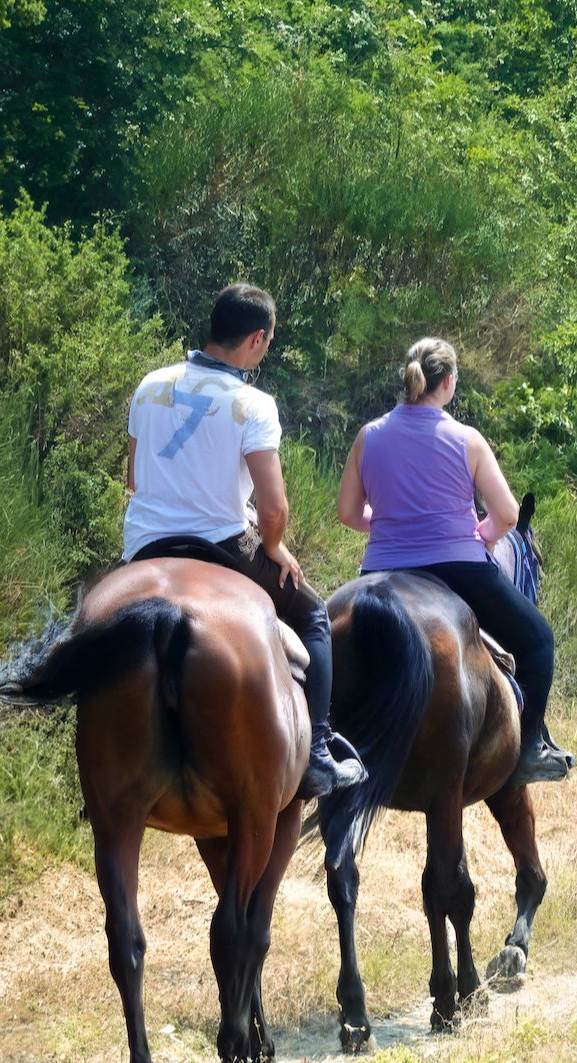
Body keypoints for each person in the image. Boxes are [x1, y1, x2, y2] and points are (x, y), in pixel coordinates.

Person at [123, 283, 365, 799]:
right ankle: (318, 755)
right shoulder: (252, 403)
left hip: (142, 550)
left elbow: (133, 480)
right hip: (219, 548)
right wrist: (274, 546)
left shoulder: (149, 385)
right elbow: (273, 507)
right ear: (257, 339)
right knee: (314, 617)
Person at [335, 337, 574, 782]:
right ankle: (528, 748)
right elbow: (507, 515)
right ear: (447, 383)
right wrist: (480, 536)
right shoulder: (467, 440)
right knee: (538, 639)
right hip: (459, 568)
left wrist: (391, 524)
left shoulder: (369, 435)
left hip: (382, 570)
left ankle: (327, 745)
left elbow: (348, 512)